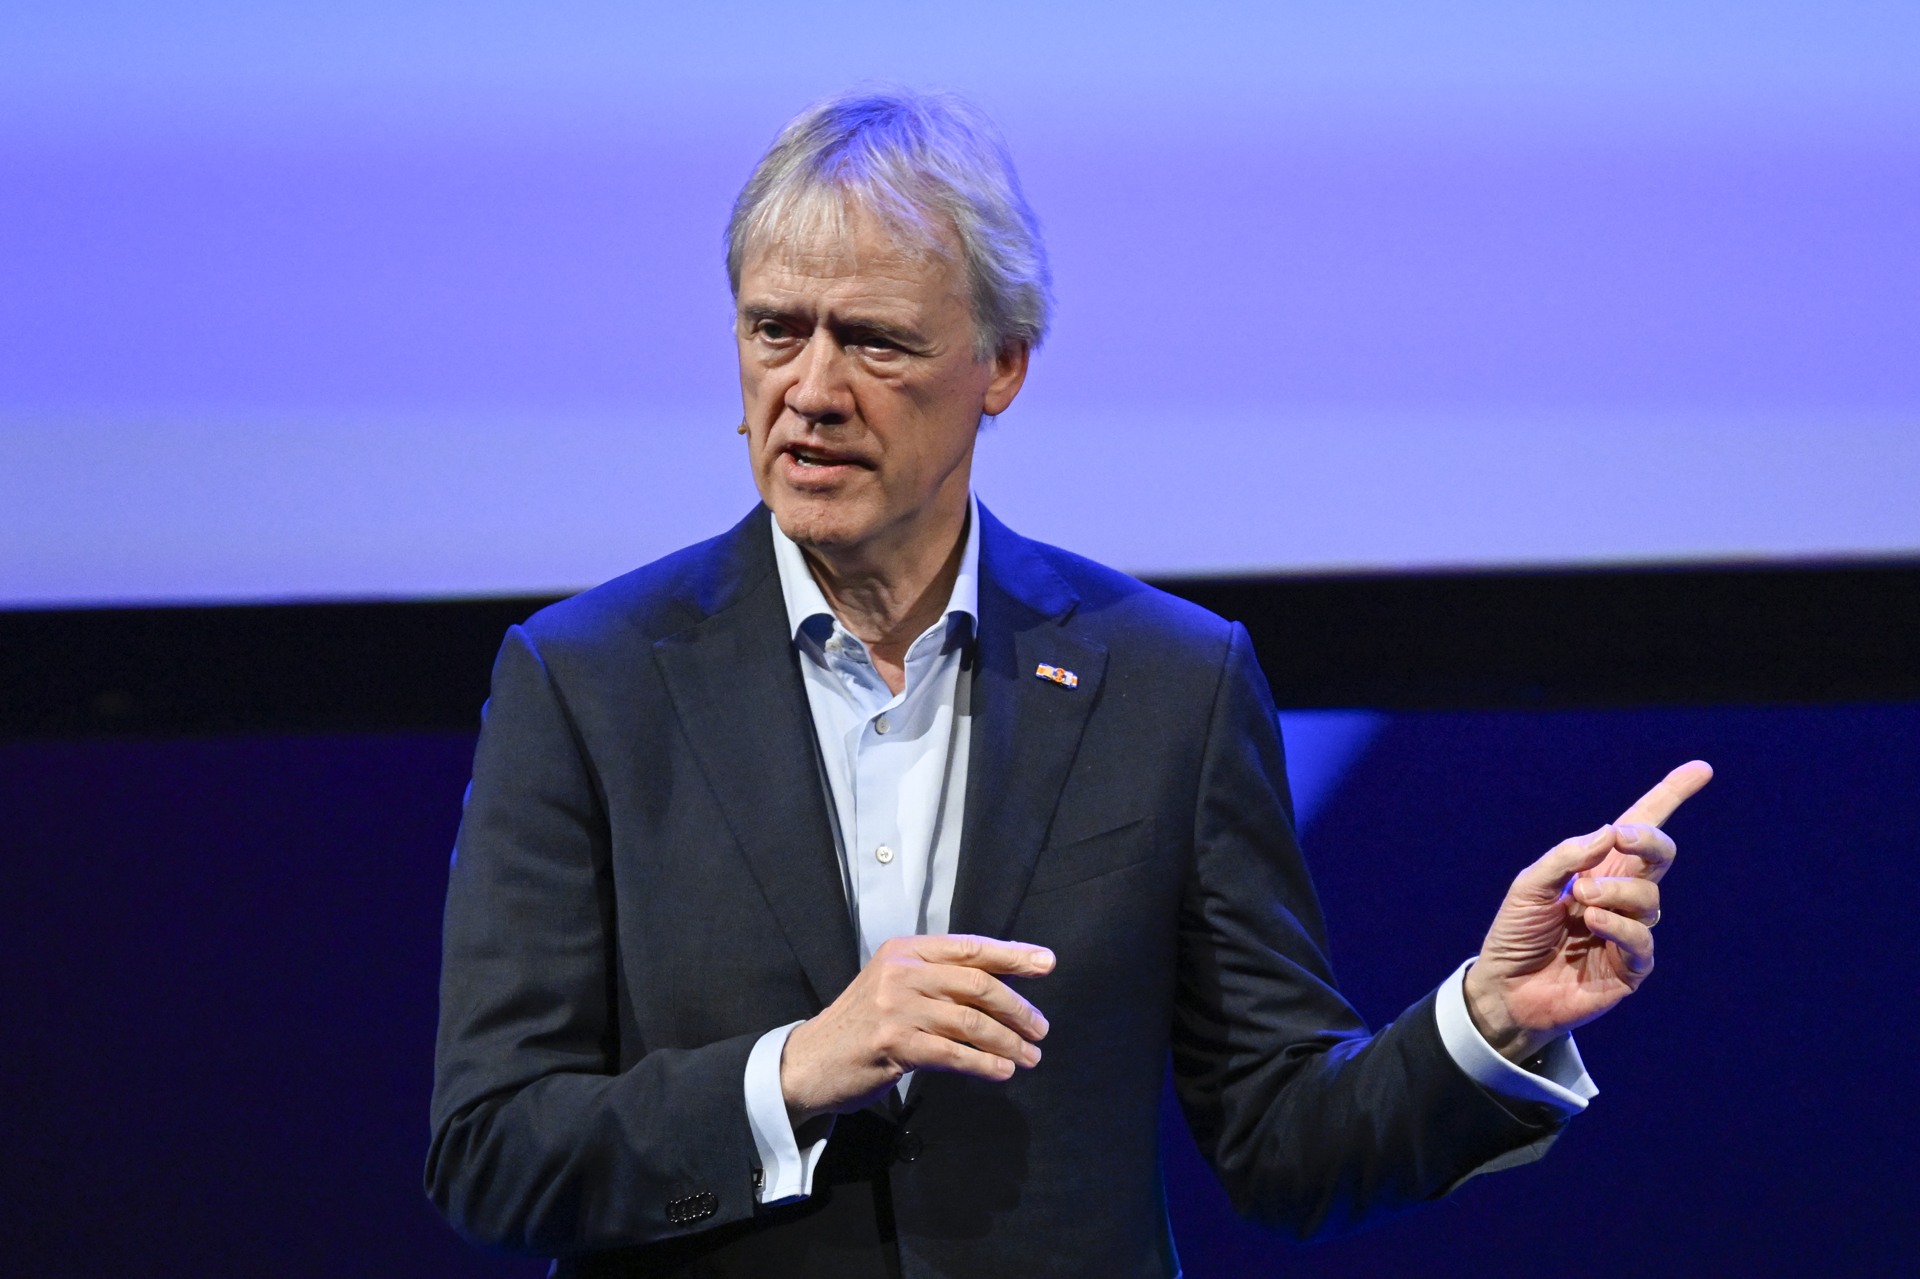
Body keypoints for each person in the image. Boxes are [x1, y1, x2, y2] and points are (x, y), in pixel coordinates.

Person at [426, 88, 1710, 1278]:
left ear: (1003, 366)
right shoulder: (585, 683)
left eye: (874, 341)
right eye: (775, 330)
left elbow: (1283, 1144)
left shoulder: (1169, 681)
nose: (809, 391)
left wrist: (1488, 1017)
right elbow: (491, 1150)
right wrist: (798, 1070)